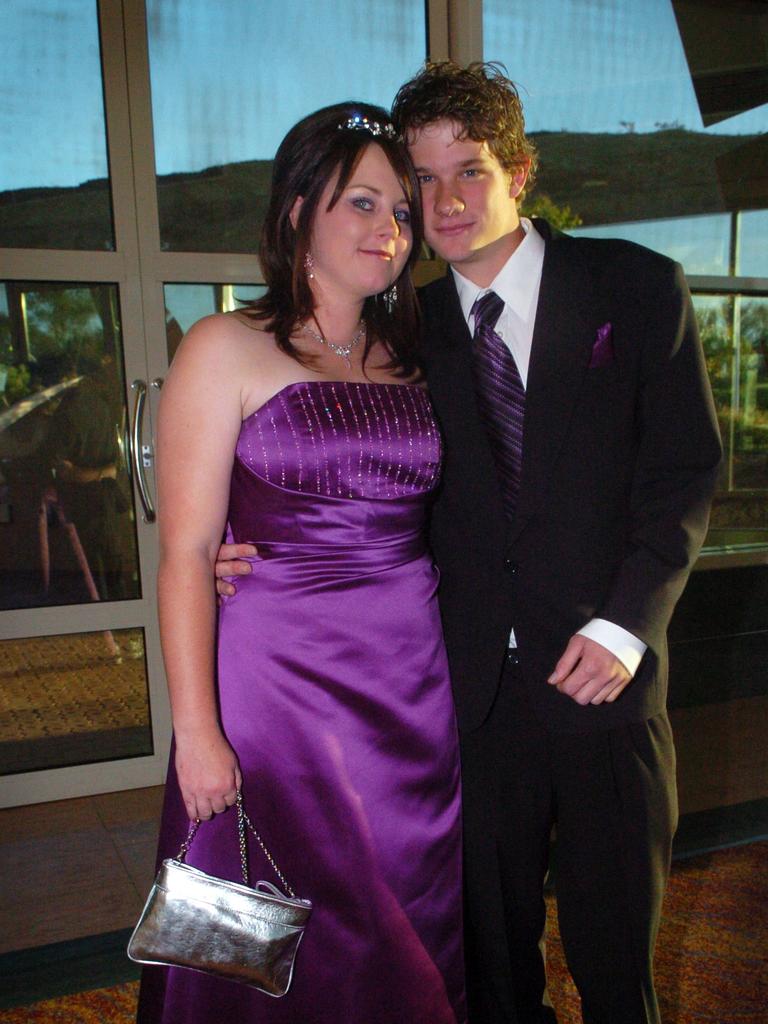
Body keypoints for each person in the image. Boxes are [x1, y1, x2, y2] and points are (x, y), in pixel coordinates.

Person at [217, 64, 722, 1024]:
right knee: (492, 978)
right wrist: (238, 541)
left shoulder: (636, 286)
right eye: (423, 179)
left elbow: (684, 478)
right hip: (464, 708)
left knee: (620, 969)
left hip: (605, 686)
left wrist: (628, 627)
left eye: (471, 171)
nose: (445, 201)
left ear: (519, 171)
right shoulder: (402, 334)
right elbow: (348, 472)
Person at [138, 101, 466, 1024]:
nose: (389, 230)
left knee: (400, 907)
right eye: (362, 203)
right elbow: (188, 551)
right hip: (276, 690)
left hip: (409, 687)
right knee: (274, 920)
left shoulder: (410, 356)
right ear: (296, 212)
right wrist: (197, 732)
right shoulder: (223, 347)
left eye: (400, 211)